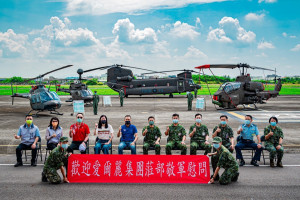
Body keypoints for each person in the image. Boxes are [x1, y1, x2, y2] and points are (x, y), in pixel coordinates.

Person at [211, 115, 234, 179]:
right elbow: (213, 137)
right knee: (214, 158)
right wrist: (216, 131)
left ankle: (230, 173)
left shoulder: (229, 128)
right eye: (221, 120)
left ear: (227, 120)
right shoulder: (217, 127)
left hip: (226, 145)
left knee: (228, 158)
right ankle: (215, 175)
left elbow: (231, 137)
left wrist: (232, 144)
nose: (222, 121)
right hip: (218, 146)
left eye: (224, 120)